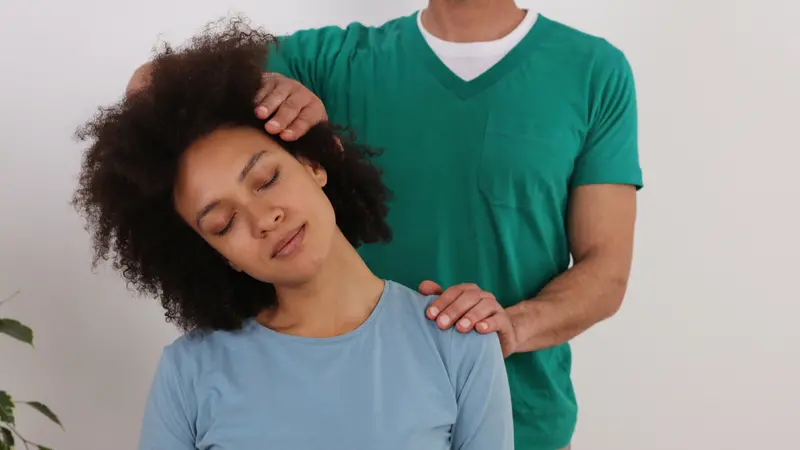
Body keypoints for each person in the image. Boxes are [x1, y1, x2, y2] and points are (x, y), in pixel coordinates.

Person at [130, 1, 643, 447]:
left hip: (527, 417)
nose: (264, 217)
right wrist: (264, 89)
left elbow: (606, 271)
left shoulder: (594, 72)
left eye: (266, 183)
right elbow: (151, 90)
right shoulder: (331, 60)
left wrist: (506, 328)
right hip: (351, 414)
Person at [74, 19, 514, 450]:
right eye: (223, 224)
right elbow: (144, 82)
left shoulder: (457, 343)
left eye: (266, 180)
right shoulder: (189, 371)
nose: (264, 219)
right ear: (219, 253)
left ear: (313, 164)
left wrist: (255, 86)